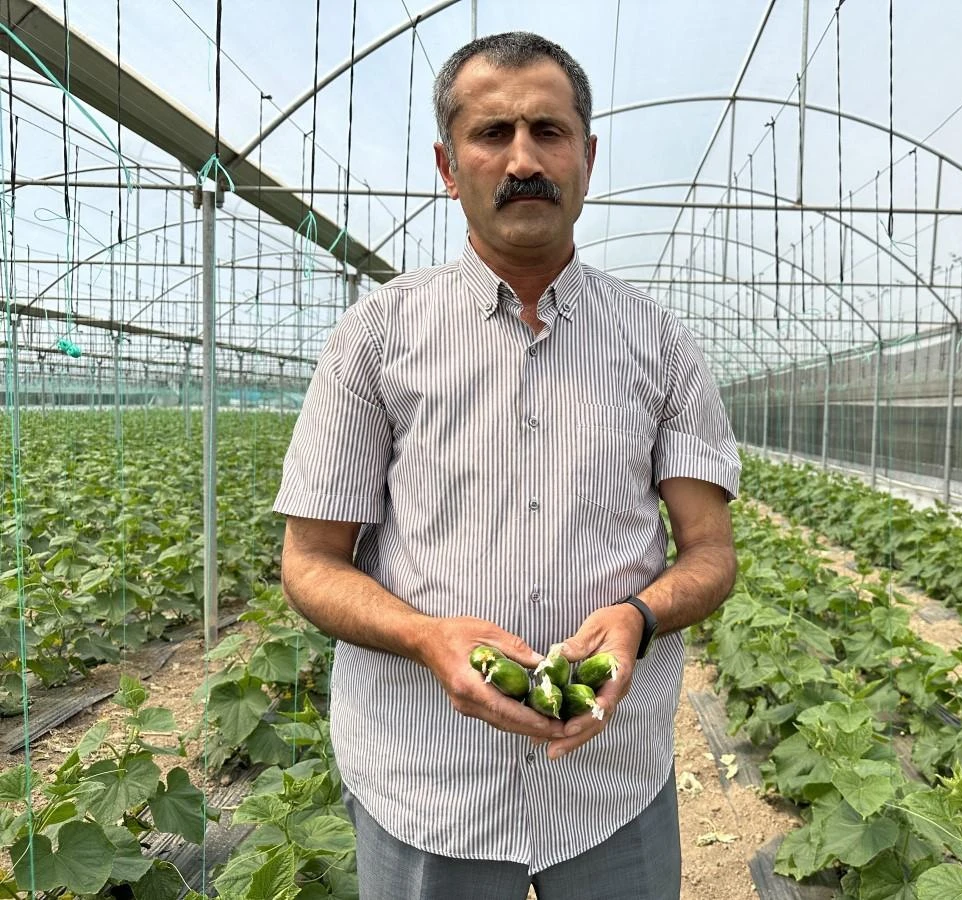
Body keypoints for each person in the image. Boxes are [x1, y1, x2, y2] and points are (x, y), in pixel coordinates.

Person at [274, 30, 740, 900]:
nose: (523, 158)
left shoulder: (662, 347)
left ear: (587, 157)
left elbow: (711, 554)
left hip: (611, 781)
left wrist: (638, 616)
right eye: (492, 135)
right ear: (449, 167)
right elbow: (309, 563)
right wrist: (425, 637)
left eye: (548, 131)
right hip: (426, 781)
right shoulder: (376, 339)